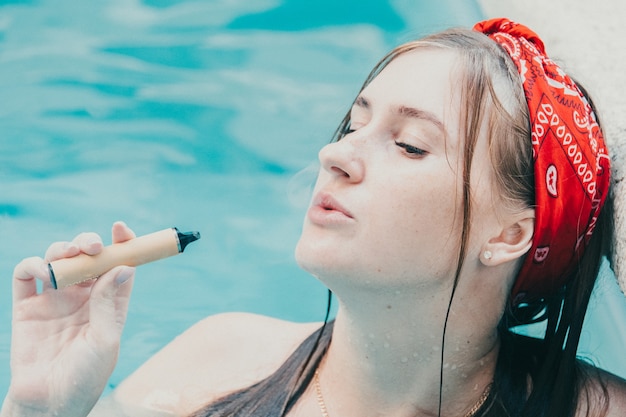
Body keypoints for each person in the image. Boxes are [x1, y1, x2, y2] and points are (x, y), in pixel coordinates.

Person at [2, 17, 626, 417]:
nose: (335, 154)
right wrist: (41, 407)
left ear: (509, 233)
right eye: (355, 123)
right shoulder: (208, 369)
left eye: (409, 144)